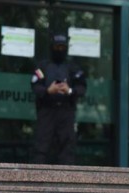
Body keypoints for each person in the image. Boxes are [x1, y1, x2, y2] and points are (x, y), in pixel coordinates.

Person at [30, 33, 87, 165]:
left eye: (62, 46)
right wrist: (48, 91)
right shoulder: (43, 67)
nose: (59, 49)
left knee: (67, 147)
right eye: (57, 46)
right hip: (47, 110)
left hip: (66, 111)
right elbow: (35, 85)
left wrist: (69, 90)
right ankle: (36, 180)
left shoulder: (73, 68)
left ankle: (66, 182)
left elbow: (82, 87)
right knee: (41, 146)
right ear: (51, 47)